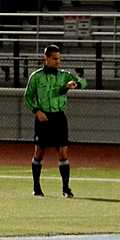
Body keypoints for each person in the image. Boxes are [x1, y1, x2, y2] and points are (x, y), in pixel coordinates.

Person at [24, 44, 87, 198]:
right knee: (39, 152)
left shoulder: (64, 75)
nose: (58, 61)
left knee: (63, 152)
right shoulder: (36, 76)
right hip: (43, 117)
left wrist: (76, 84)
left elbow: (84, 82)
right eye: (54, 59)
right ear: (45, 59)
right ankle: (36, 187)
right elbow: (28, 97)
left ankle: (66, 188)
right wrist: (36, 111)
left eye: (59, 58)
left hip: (59, 117)